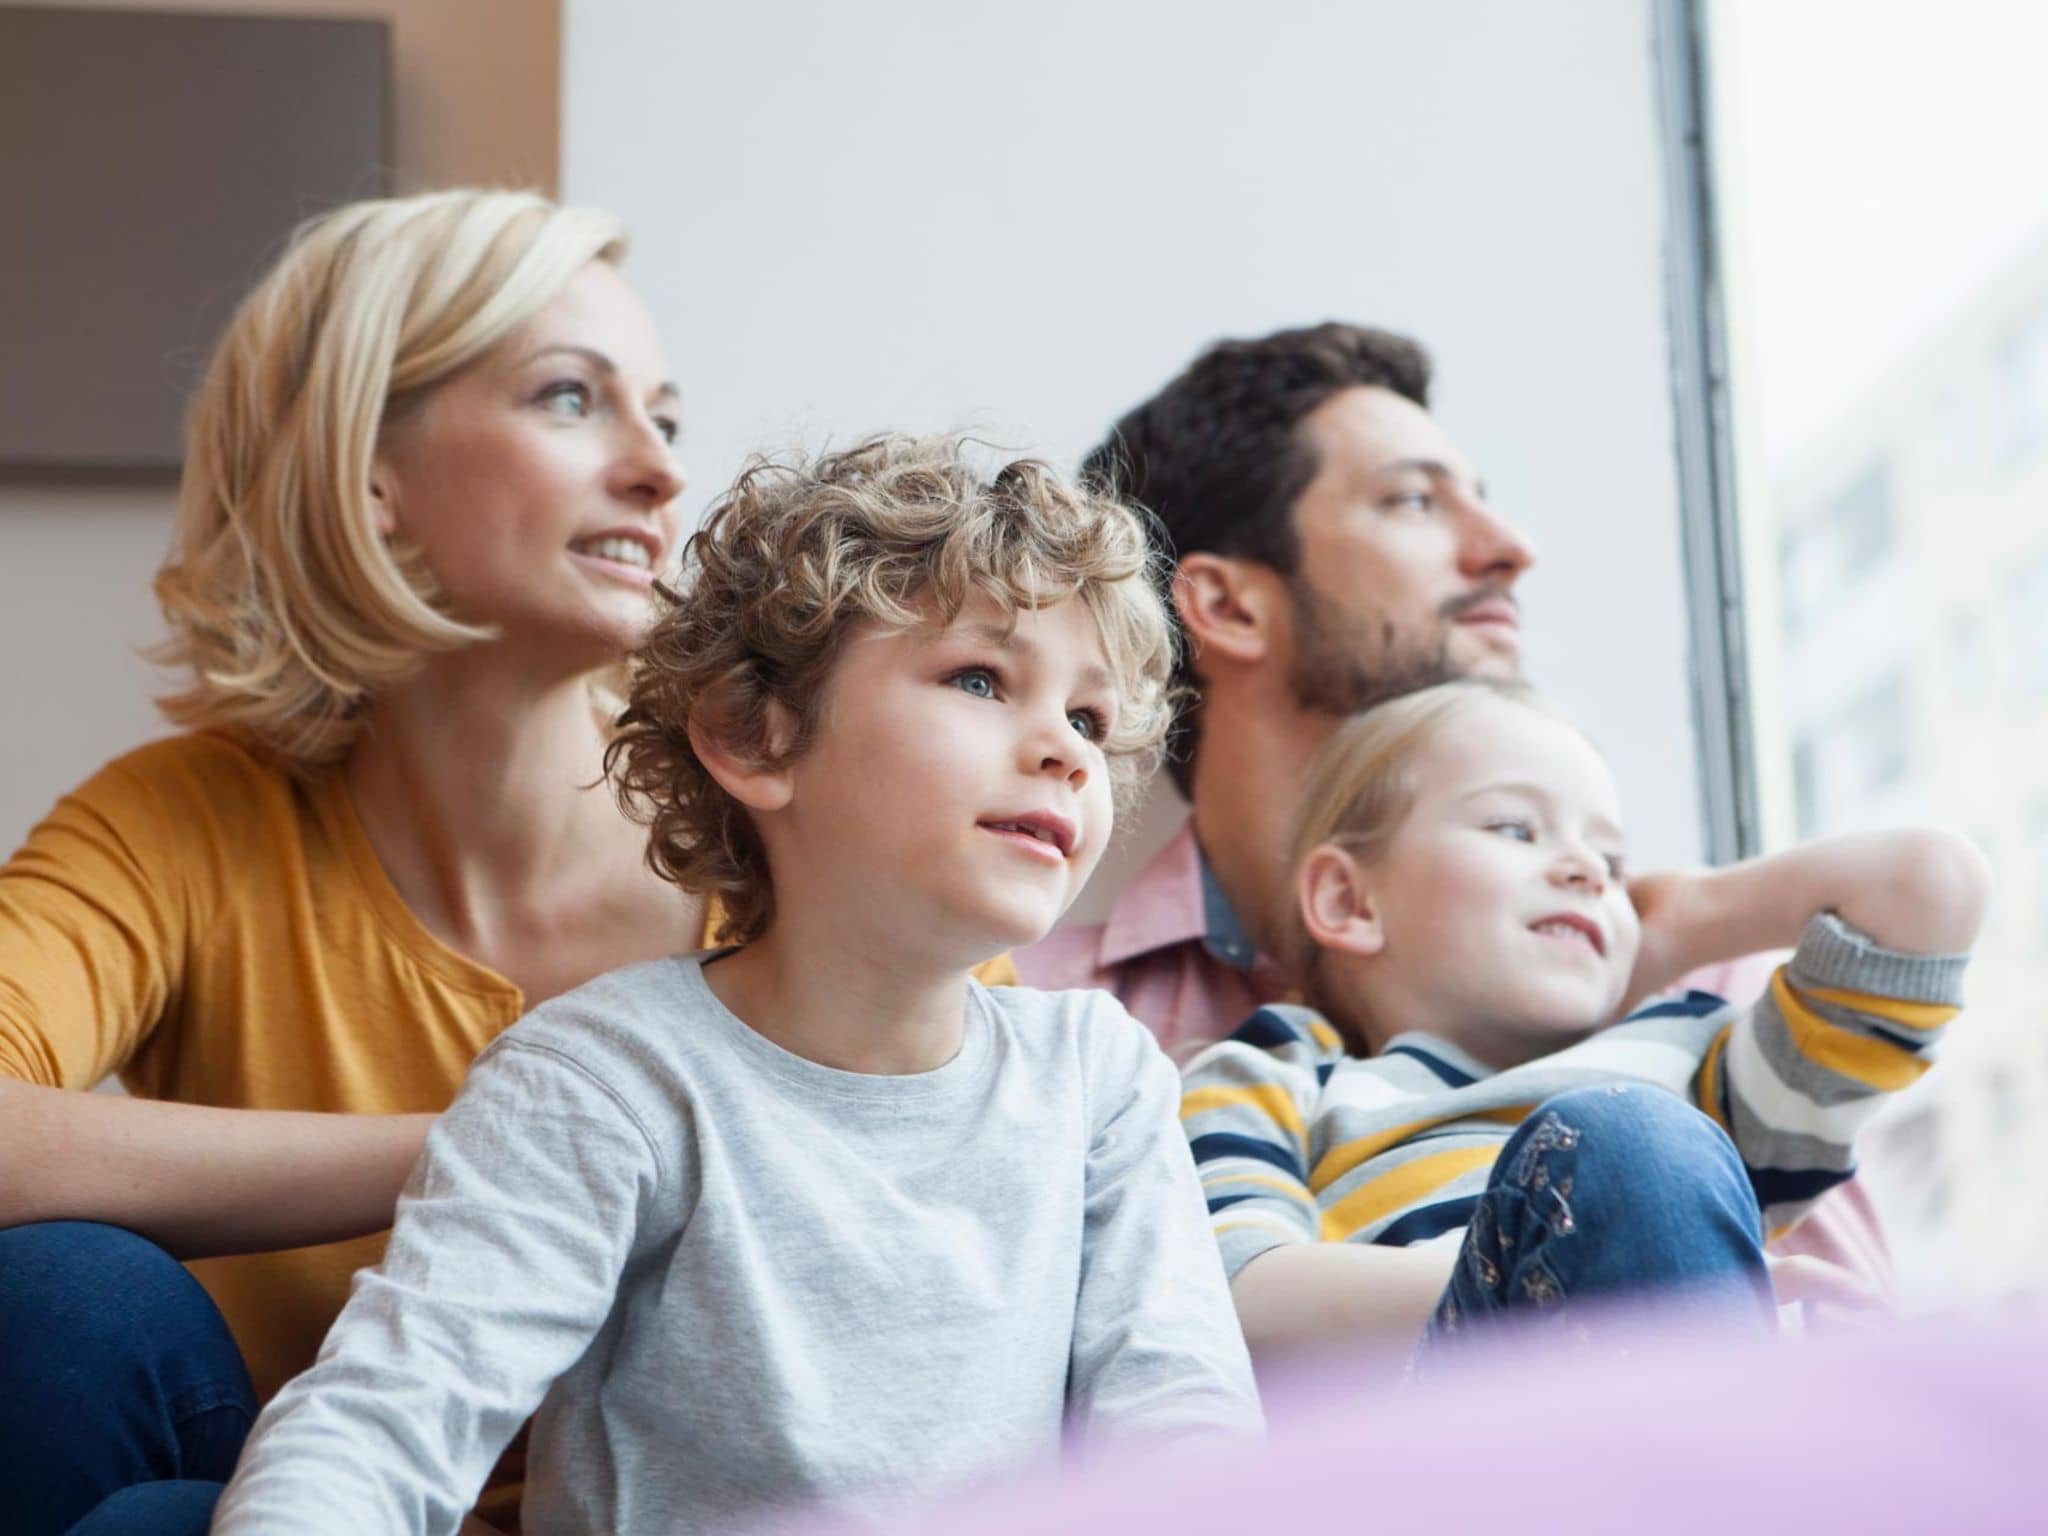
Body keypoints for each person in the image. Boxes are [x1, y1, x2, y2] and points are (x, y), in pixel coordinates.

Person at [0, 188, 997, 1536]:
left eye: (666, 419)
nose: (657, 473)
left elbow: (1005, 1178)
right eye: (571, 398)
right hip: (309, 1503)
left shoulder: (812, 823)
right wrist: (507, 1147)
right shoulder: (185, 825)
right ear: (369, 473)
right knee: (61, 1304)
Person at [209, 435, 1262, 1536]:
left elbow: (1185, 1436)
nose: (1067, 751)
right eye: (979, 679)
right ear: (753, 738)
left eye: (1090, 719)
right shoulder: (604, 1080)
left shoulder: (1099, 1078)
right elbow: (386, 1422)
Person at [1014, 319, 1895, 1314]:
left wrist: (1696, 924)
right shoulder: (1031, 1031)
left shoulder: (1699, 1001)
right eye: (1414, 500)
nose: (1509, 549)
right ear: (1227, 607)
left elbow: (1843, 1350)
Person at [1181, 680, 1987, 1363]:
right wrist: (1566, 1269)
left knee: (1642, 1134)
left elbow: (1929, 886)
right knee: (1628, 1138)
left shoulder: (1698, 1067)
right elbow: (1235, 1298)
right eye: (1515, 829)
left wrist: (1684, 914)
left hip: (1681, 1433)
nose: (1585, 872)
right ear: (1350, 900)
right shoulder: (1273, 1072)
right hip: (1439, 1438)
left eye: (1613, 865)